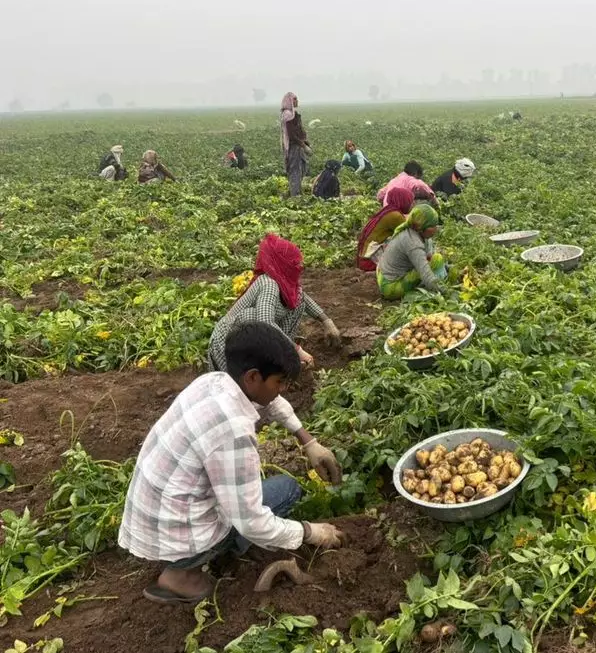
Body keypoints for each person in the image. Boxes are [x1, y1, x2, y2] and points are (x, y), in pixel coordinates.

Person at [119, 322, 345, 604]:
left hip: (155, 515)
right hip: (177, 529)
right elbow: (252, 522)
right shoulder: (233, 431)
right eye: (280, 382)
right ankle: (180, 576)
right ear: (253, 377)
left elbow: (271, 402)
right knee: (286, 490)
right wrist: (310, 532)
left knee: (263, 495)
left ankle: (199, 554)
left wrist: (308, 440)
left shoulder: (214, 381)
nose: (283, 389)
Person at [209, 234, 341, 371]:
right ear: (282, 263)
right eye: (294, 263)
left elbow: (304, 299)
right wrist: (297, 350)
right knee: (252, 317)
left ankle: (277, 359)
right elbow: (265, 322)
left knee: (298, 300)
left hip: (254, 341)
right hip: (230, 345)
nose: (299, 267)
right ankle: (268, 364)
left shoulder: (285, 285)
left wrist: (327, 321)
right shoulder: (268, 284)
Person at [376, 204, 446, 300]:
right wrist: (446, 292)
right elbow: (426, 275)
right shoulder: (413, 243)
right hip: (390, 286)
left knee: (435, 258)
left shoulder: (416, 232)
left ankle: (436, 285)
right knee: (436, 261)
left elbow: (428, 256)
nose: (436, 229)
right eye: (432, 226)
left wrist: (449, 268)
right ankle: (434, 290)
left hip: (384, 274)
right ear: (422, 227)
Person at [356, 187, 414, 272]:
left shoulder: (388, 211)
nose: (412, 205)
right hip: (370, 261)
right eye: (411, 202)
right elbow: (410, 236)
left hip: (364, 258)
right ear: (404, 201)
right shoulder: (395, 216)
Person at [281, 92, 311, 197]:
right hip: (294, 147)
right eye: (294, 99)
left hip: (298, 145)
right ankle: (295, 195)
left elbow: (298, 131)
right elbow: (292, 134)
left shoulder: (293, 114)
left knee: (302, 168)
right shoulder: (288, 115)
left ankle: (295, 191)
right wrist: (303, 145)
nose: (297, 101)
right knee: (295, 170)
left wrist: (305, 142)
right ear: (289, 101)